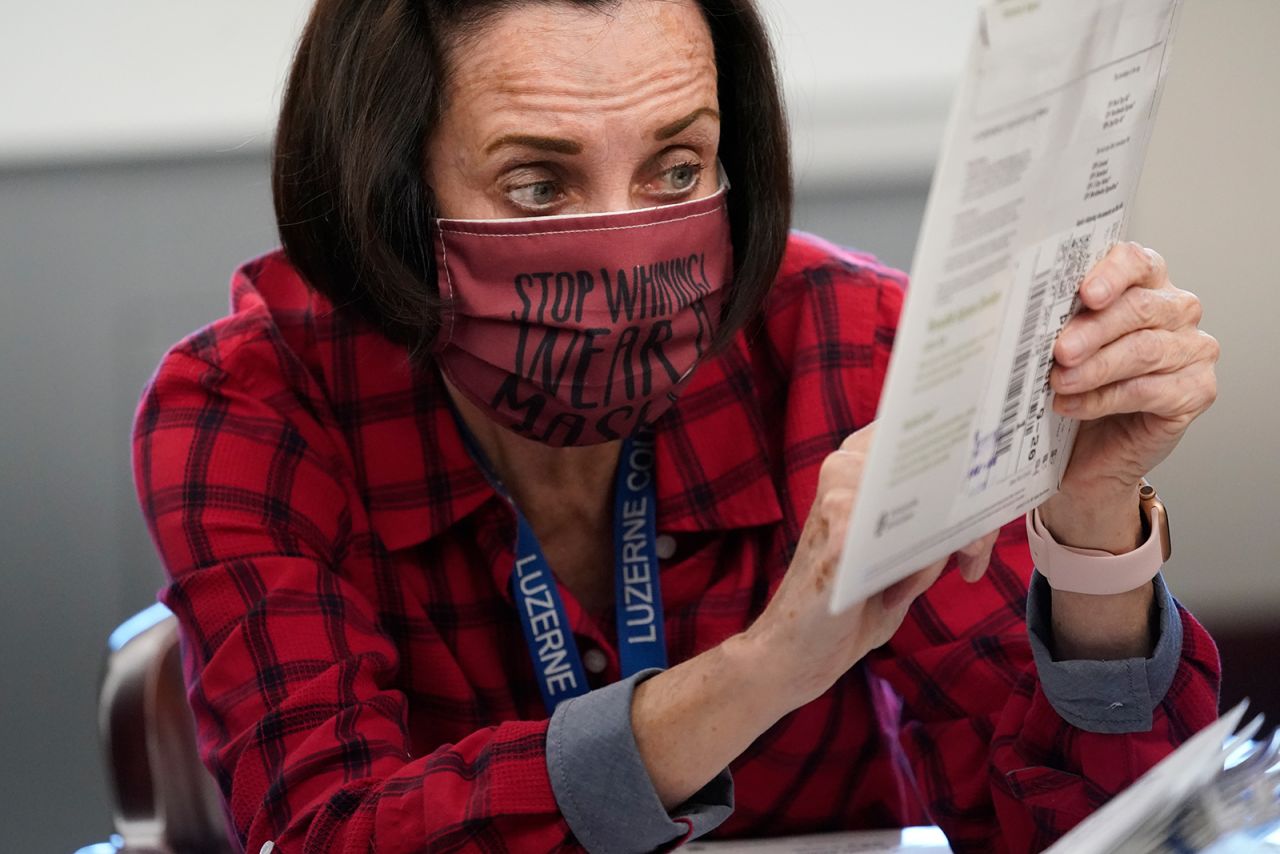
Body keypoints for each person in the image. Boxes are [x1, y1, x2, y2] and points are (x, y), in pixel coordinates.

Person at [130, 1, 1223, 852]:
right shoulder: (252, 408)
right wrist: (759, 670)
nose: (623, 246)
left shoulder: (845, 344)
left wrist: (1088, 536)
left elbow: (1090, 828)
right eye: (536, 184)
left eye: (677, 167)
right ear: (393, 199)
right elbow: (326, 831)